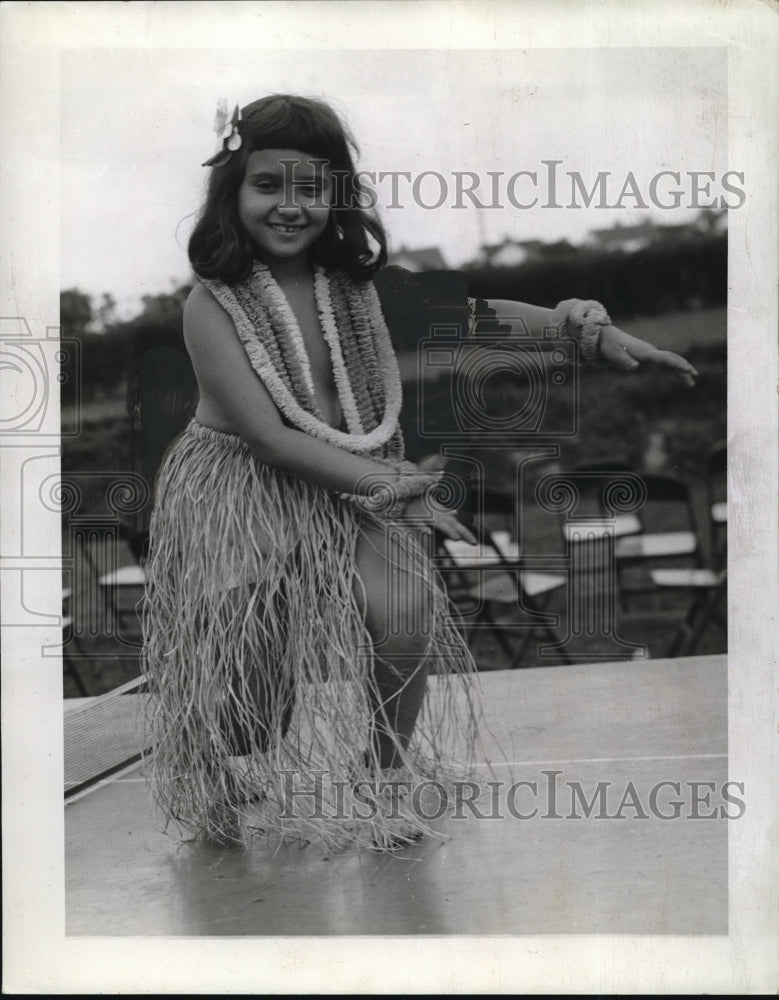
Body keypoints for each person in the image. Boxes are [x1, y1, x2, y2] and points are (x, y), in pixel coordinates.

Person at [142, 94, 698, 852]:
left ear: (338, 196)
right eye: (268, 185)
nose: (290, 205)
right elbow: (269, 437)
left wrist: (590, 335)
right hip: (252, 488)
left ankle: (381, 776)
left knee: (404, 616)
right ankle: (213, 757)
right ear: (231, 192)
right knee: (256, 713)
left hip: (367, 474)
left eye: (311, 187)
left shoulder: (363, 291)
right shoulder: (210, 306)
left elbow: (478, 315)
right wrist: (392, 488)